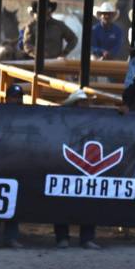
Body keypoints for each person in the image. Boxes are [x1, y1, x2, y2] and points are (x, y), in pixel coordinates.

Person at [54, 89, 99, 249]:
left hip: (85, 165)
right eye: (82, 101)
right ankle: (62, 237)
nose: (85, 104)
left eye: (85, 101)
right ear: (75, 103)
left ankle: (86, 238)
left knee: (89, 200)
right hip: (68, 164)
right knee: (62, 201)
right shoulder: (64, 118)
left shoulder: (92, 120)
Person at [0, 84, 25, 249]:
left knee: (14, 202)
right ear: (7, 98)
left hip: (16, 162)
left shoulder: (25, 116)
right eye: (13, 97)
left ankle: (11, 237)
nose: (16, 101)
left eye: (18, 98)